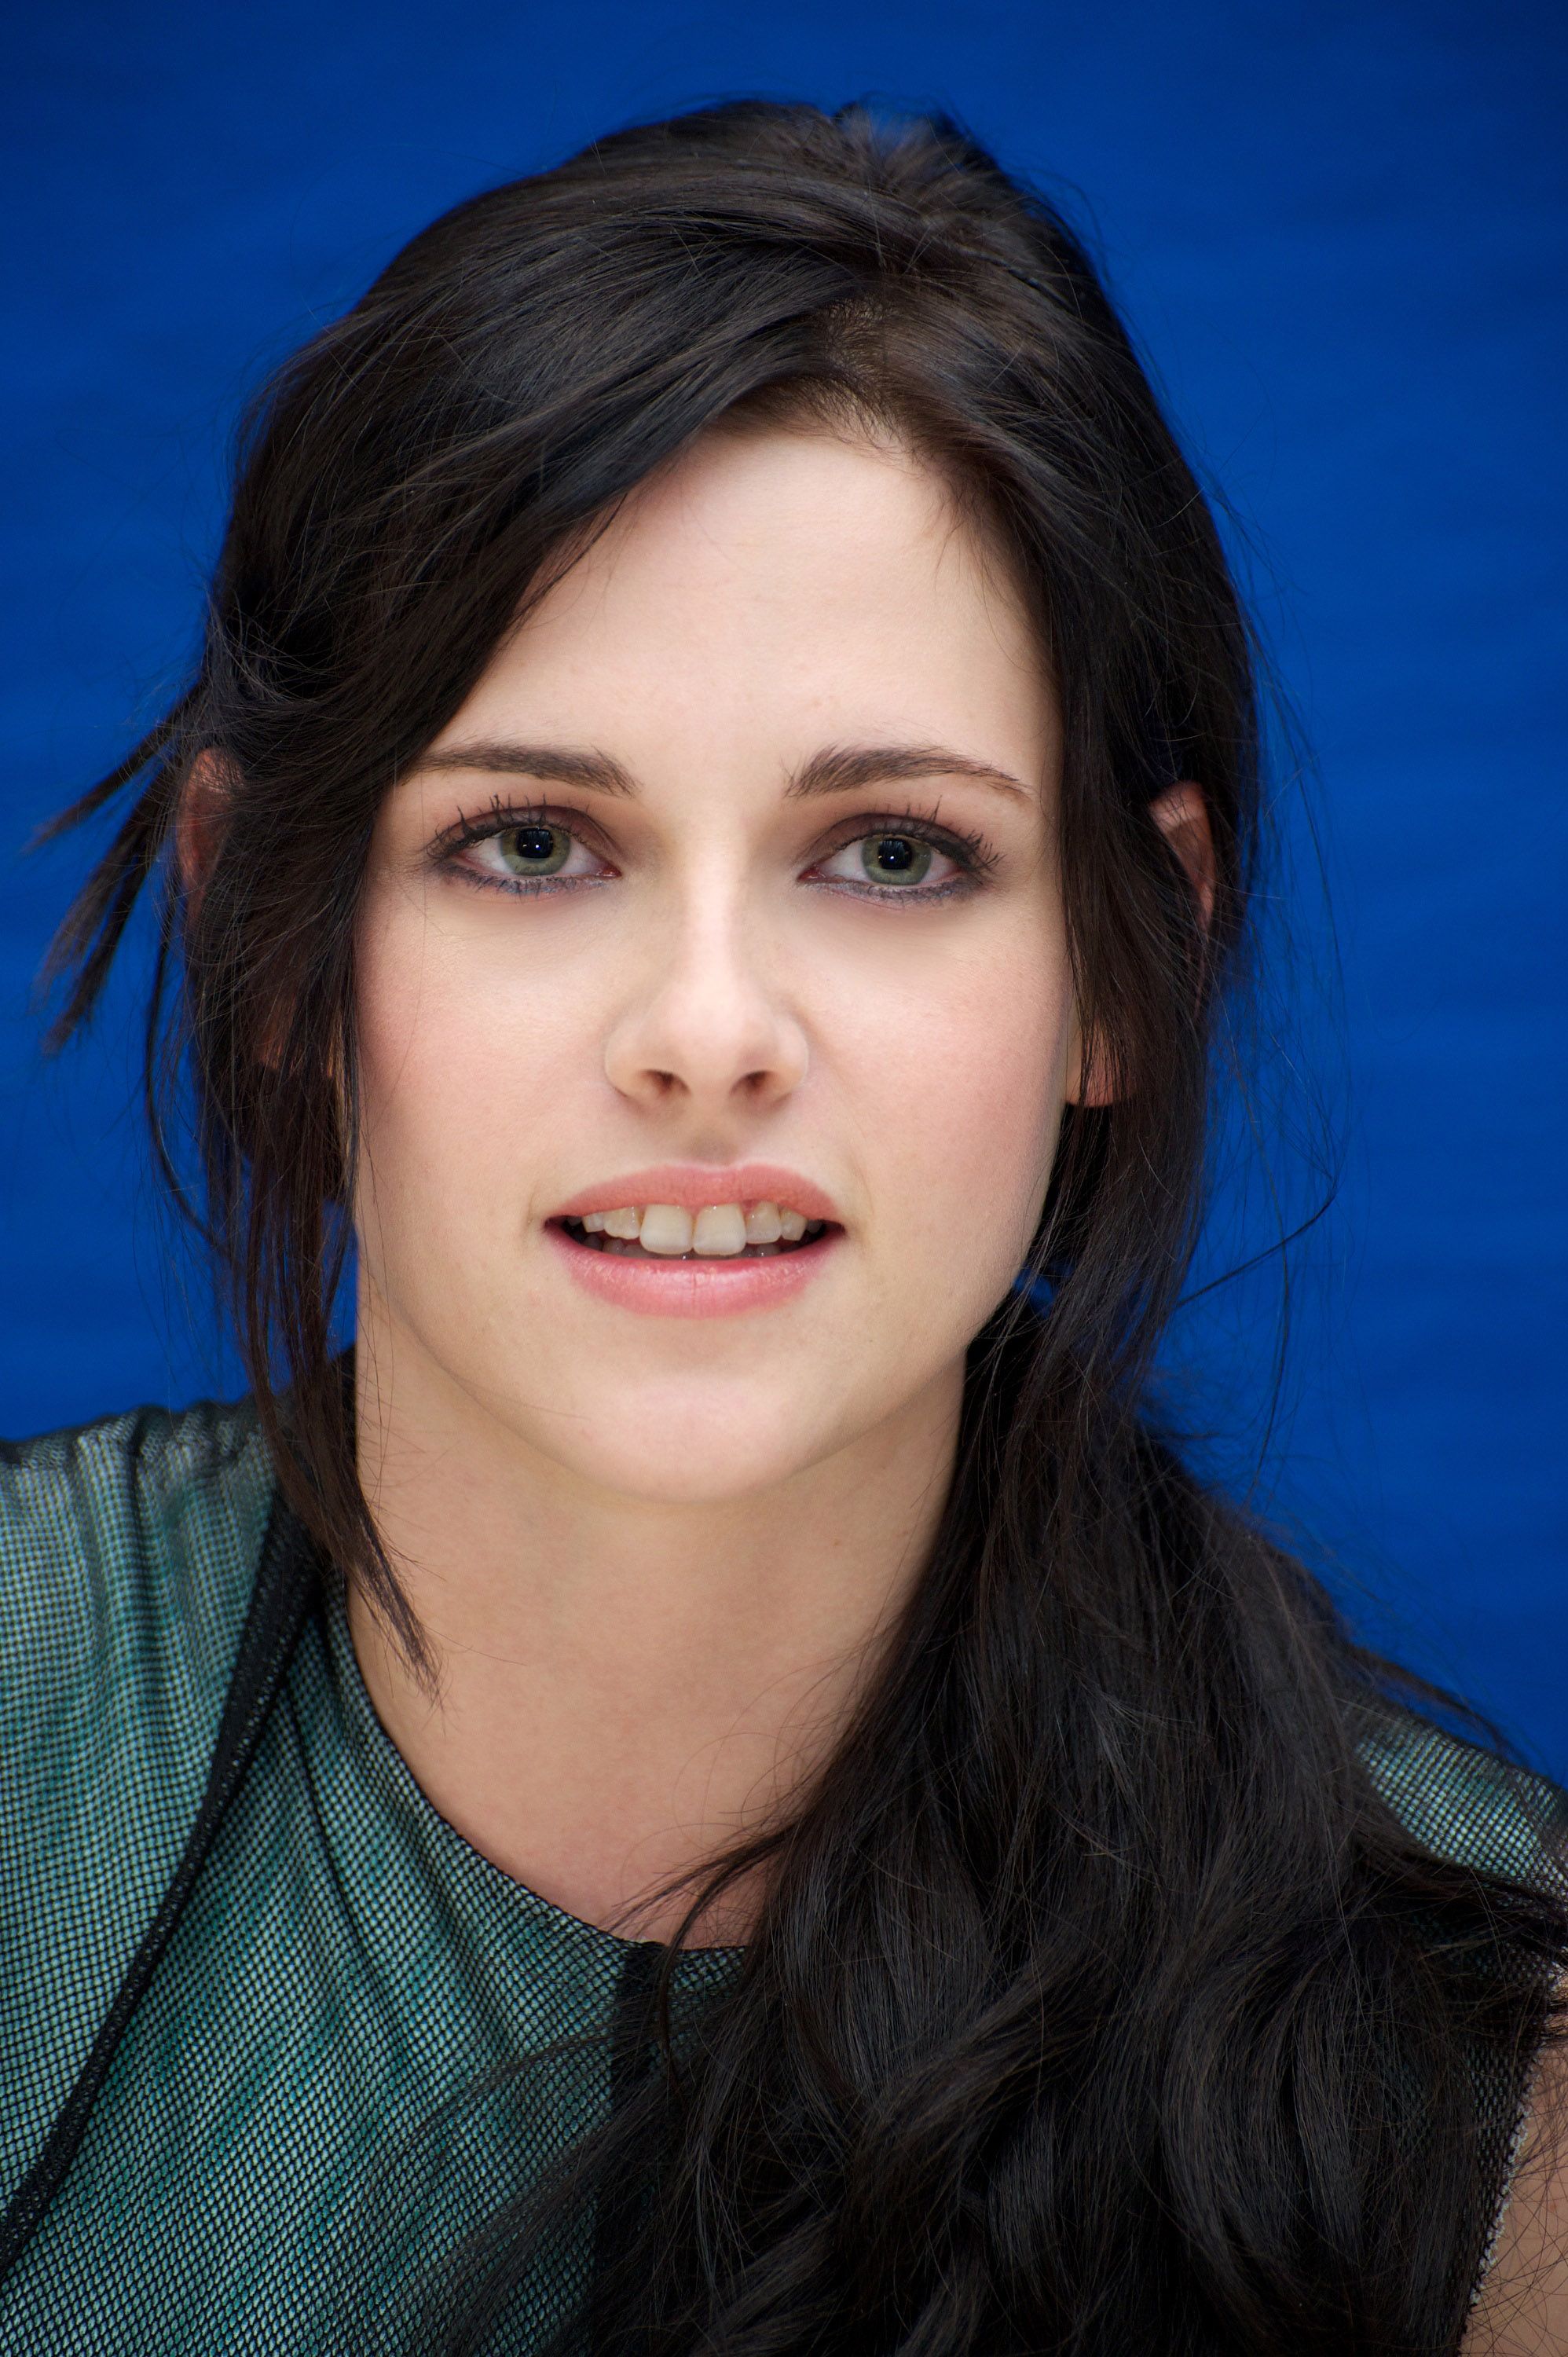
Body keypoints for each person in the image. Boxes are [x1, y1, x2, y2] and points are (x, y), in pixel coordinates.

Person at [0, 98, 1562, 2357]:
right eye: (532, 844)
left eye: (894, 855)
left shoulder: (1487, 2084)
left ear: (1126, 966)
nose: (708, 1034)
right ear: (275, 938)